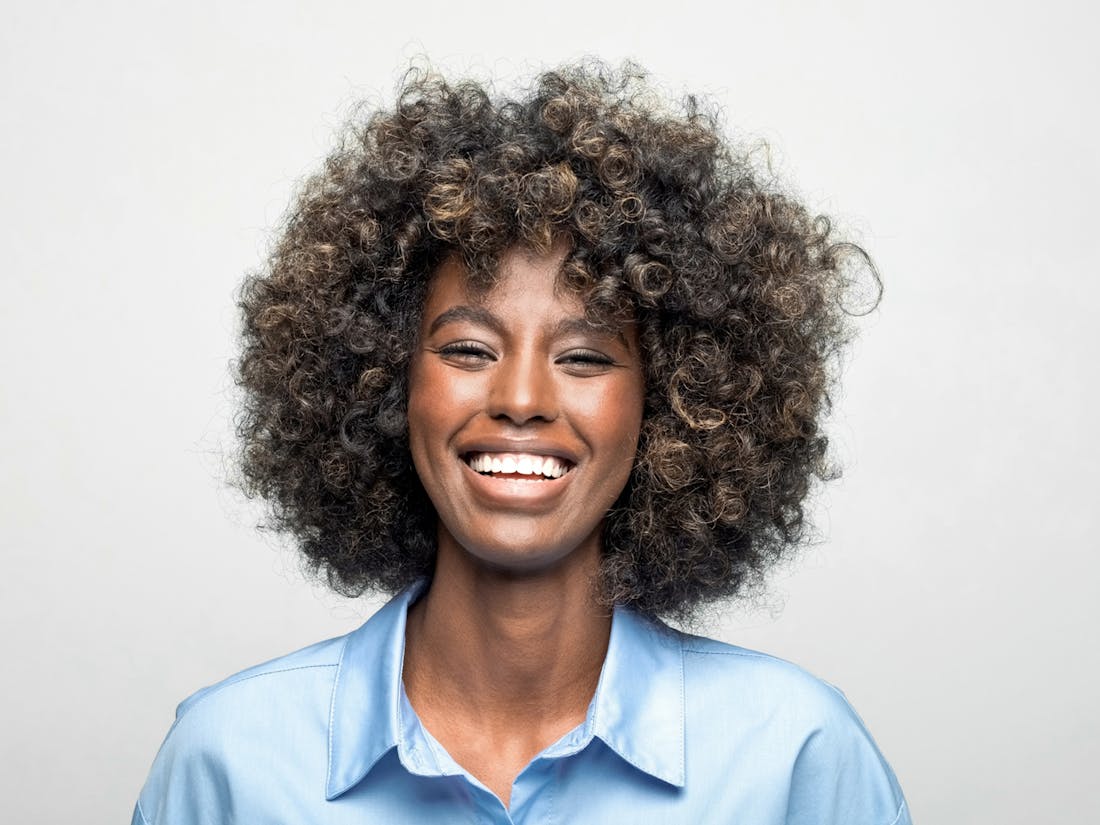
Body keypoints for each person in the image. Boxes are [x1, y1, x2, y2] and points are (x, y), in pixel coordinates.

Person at [132, 62, 911, 824]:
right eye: (469, 350)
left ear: (674, 402)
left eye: (584, 357)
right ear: (383, 379)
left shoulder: (794, 761)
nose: (521, 401)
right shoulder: (229, 766)